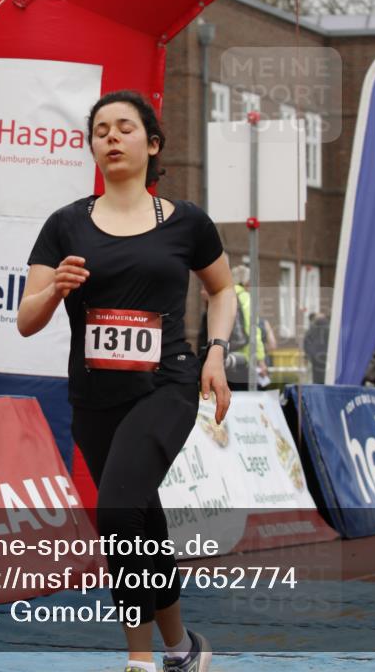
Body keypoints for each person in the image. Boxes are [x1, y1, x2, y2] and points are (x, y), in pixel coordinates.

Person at [18, 90, 234, 672]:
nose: (111, 137)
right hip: (95, 396)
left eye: (125, 127)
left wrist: (215, 353)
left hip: (167, 385)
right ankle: (182, 649)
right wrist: (55, 289)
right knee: (141, 518)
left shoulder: (187, 222)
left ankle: (139, 660)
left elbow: (221, 289)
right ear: (92, 148)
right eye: (100, 130)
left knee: (116, 514)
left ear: (152, 144)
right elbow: (26, 320)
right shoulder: (64, 225)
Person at [229, 266, 270, 390]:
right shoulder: (246, 298)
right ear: (247, 282)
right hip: (245, 360)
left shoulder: (225, 297)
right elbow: (253, 331)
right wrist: (261, 360)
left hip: (226, 358)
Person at [303, 313, 330, 384]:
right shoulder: (329, 328)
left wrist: (308, 356)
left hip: (315, 357)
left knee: (316, 377)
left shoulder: (311, 329)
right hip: (327, 356)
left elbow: (306, 343)